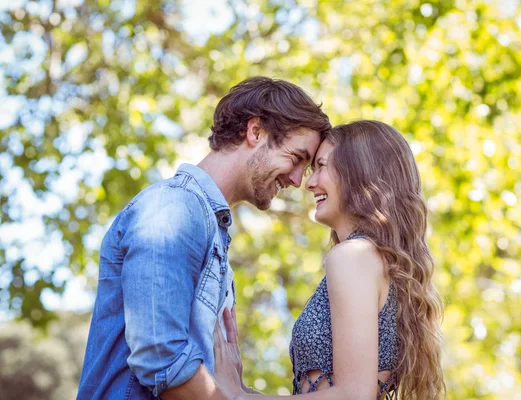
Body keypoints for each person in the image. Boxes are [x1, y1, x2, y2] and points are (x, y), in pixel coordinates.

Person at [77, 76, 331, 399]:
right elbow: (161, 358)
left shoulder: (210, 229)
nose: (297, 180)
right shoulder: (174, 207)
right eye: (296, 159)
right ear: (255, 132)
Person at [213, 120, 445, 399]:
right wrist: (241, 390)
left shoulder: (353, 257)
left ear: (360, 172)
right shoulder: (378, 262)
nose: (309, 183)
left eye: (321, 166)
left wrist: (237, 398)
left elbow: (353, 395)